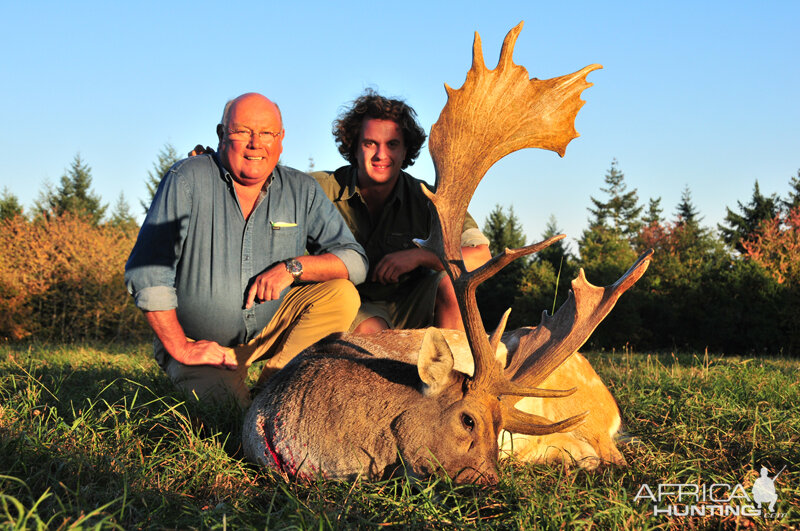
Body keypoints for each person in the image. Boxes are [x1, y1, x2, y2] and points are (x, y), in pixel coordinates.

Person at [125, 93, 368, 407]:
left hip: (268, 328)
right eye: (243, 132)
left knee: (341, 293)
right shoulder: (187, 179)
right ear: (222, 135)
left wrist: (293, 268)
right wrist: (182, 347)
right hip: (199, 343)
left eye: (267, 133)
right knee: (231, 422)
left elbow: (355, 261)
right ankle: (228, 388)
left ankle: (276, 385)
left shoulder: (301, 190)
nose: (256, 143)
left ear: (281, 140)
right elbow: (147, 273)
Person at [312, 90, 491, 333]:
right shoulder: (319, 189)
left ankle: (453, 367)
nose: (381, 155)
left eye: (392, 145)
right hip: (346, 304)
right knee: (372, 332)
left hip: (410, 304)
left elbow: (481, 255)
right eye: (370, 143)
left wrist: (419, 256)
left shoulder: (428, 199)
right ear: (354, 147)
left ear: (406, 151)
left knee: (453, 285)